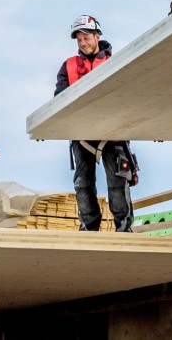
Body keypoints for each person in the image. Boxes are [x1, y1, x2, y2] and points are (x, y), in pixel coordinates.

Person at [54, 14, 135, 232]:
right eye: (79, 39)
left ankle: (123, 229)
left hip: (112, 132)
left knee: (118, 181)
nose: (82, 43)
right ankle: (89, 229)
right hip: (81, 134)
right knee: (83, 183)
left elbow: (128, 96)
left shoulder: (115, 63)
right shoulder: (68, 67)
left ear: (97, 35)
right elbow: (59, 98)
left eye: (86, 38)